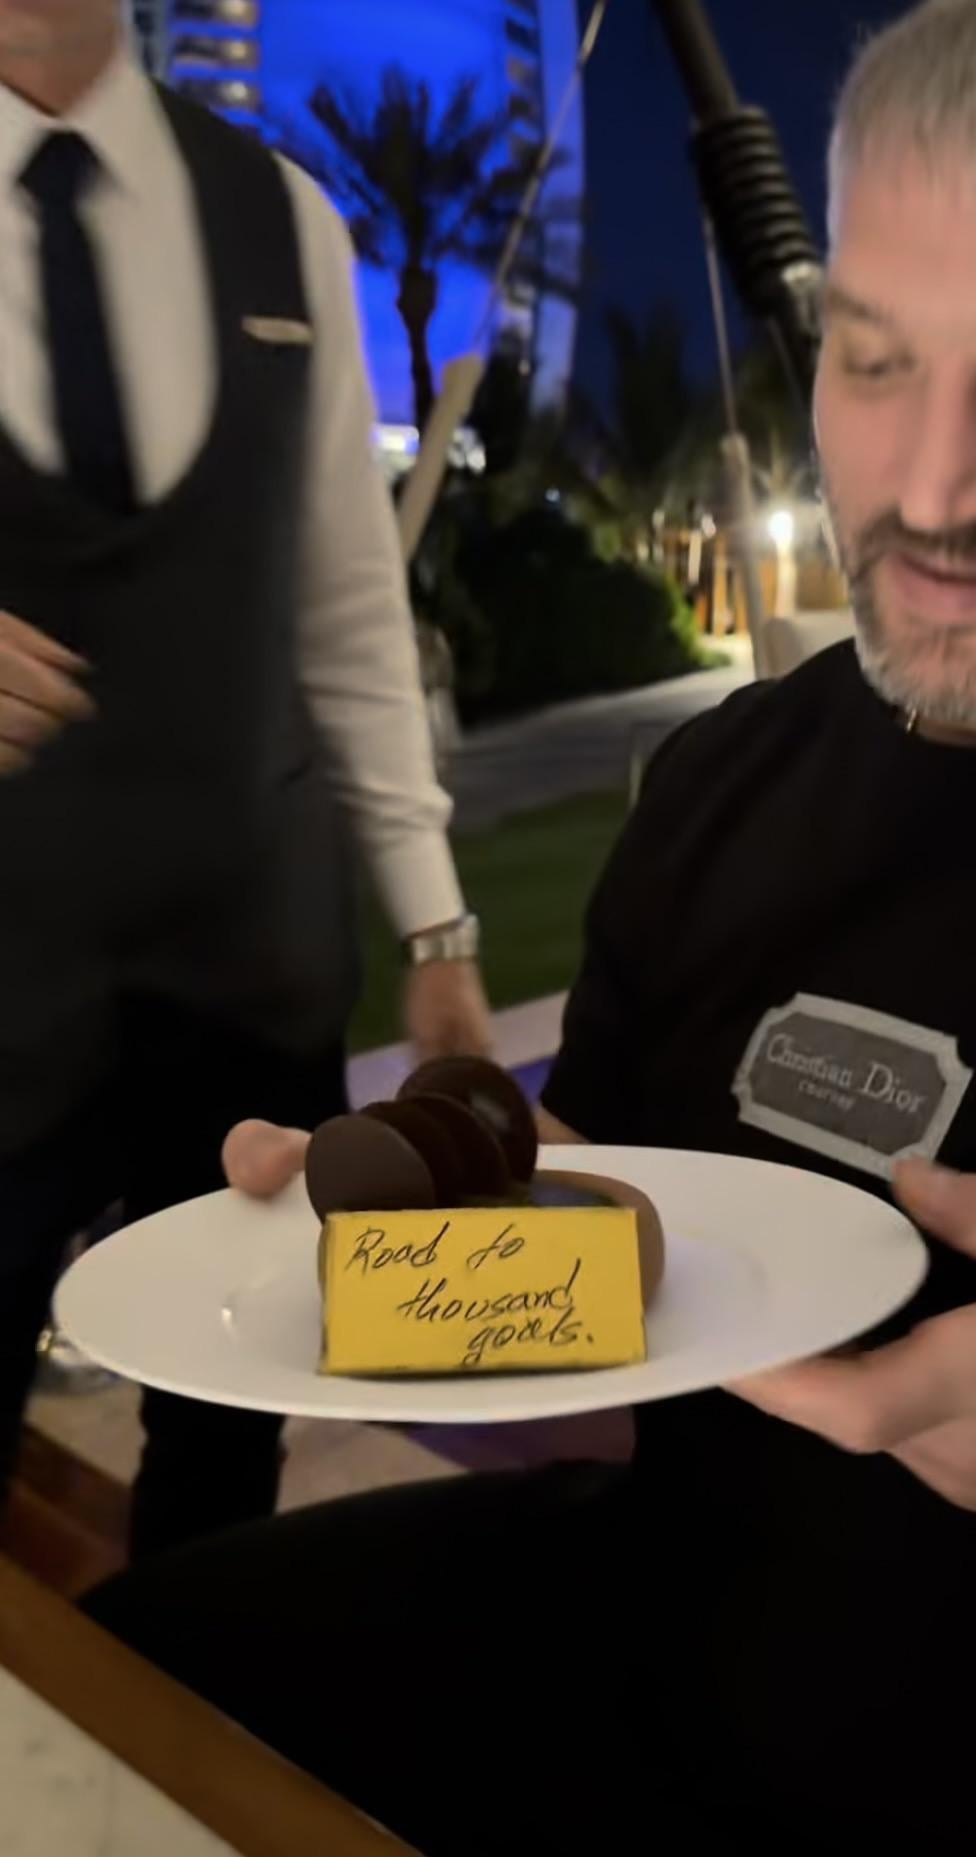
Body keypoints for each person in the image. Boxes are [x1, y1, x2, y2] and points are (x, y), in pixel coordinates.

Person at [86, 1, 976, 1848]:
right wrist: (414, 1220)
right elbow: (604, 1235)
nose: (929, 487)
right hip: (665, 1631)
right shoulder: (727, 783)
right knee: (129, 1687)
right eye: (873, 355)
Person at [0, 0, 493, 1560]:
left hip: (251, 976)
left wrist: (435, 925)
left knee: (227, 1444)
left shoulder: (283, 214)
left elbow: (347, 602)